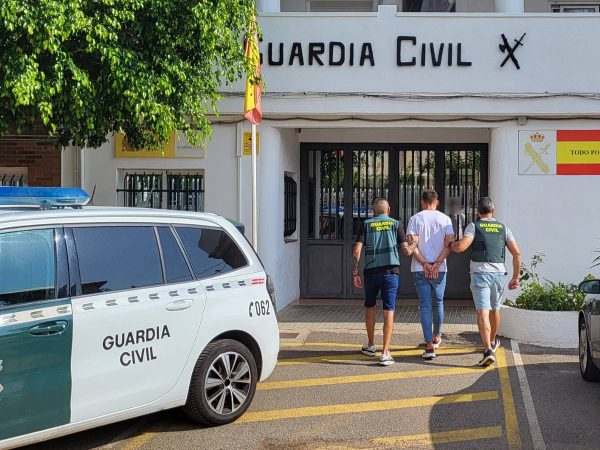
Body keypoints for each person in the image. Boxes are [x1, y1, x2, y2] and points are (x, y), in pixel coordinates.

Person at [449, 197, 521, 366]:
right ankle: (493, 340)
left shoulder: (474, 226)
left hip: (480, 274)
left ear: (478, 213)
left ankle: (487, 349)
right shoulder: (504, 228)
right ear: (492, 211)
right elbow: (517, 254)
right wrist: (515, 277)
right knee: (495, 309)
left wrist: (450, 245)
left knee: (482, 311)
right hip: (498, 274)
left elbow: (461, 247)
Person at [353, 198, 406, 366]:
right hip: (391, 272)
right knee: (388, 310)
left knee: (370, 306)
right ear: (388, 210)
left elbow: (356, 250)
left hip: (371, 272)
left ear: (373, 211)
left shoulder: (366, 224)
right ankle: (385, 352)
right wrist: (413, 245)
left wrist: (355, 271)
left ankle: (370, 345)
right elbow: (405, 249)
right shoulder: (396, 224)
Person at [403, 190, 454, 360]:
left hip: (419, 268)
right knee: (438, 303)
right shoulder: (445, 219)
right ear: (437, 202)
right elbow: (449, 245)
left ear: (422, 202)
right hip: (440, 269)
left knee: (425, 305)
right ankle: (437, 336)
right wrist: (437, 263)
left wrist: (424, 262)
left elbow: (413, 245)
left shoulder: (415, 219)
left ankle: (429, 345)